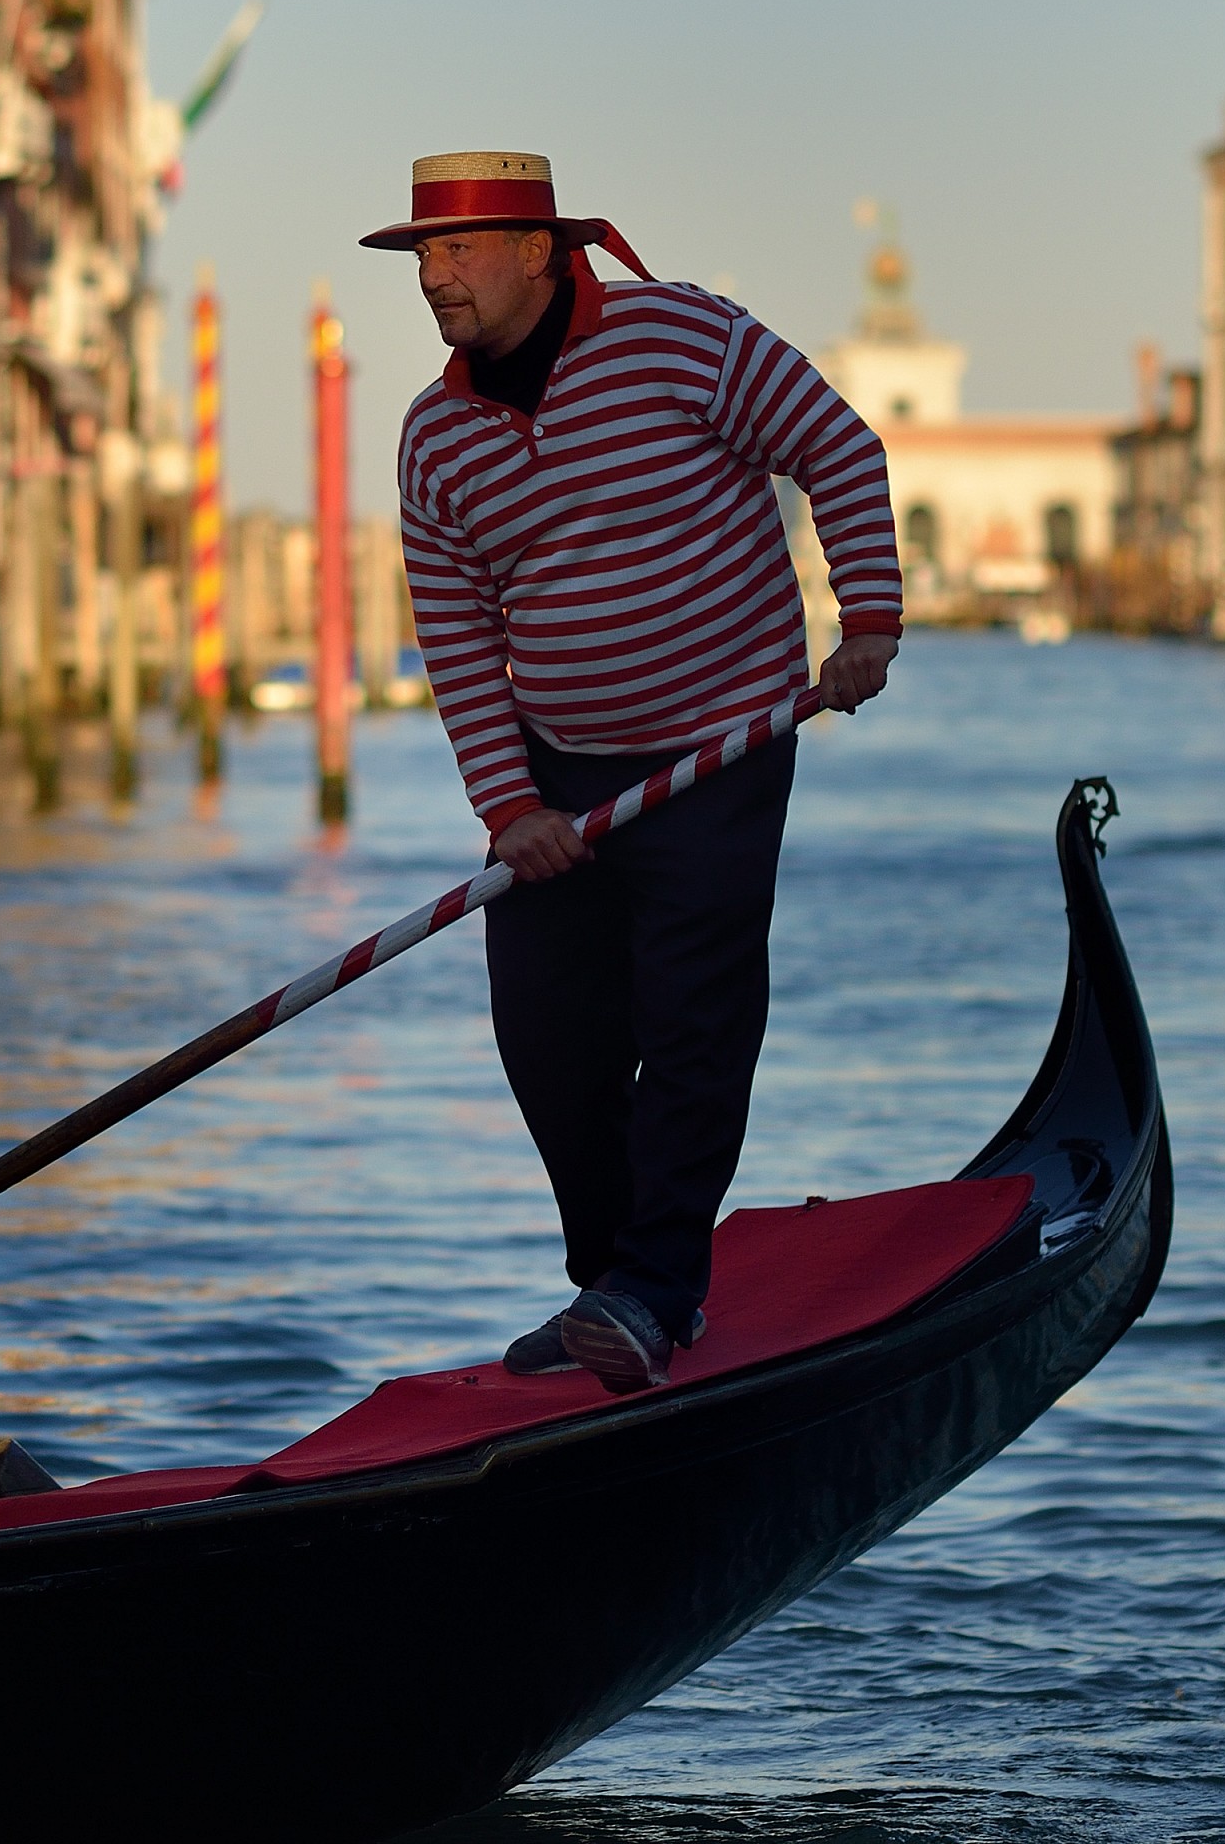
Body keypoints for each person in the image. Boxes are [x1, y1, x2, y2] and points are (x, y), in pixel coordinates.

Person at [361, 151, 901, 1393]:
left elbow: (838, 446)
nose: (434, 278)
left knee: (693, 1017)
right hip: (558, 770)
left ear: (540, 251)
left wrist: (864, 617)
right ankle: (621, 1281)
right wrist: (511, 809)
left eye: (456, 251)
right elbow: (454, 629)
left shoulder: (681, 338)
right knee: (547, 1039)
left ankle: (655, 1286)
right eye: (422, 258)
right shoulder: (435, 435)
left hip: (721, 742)